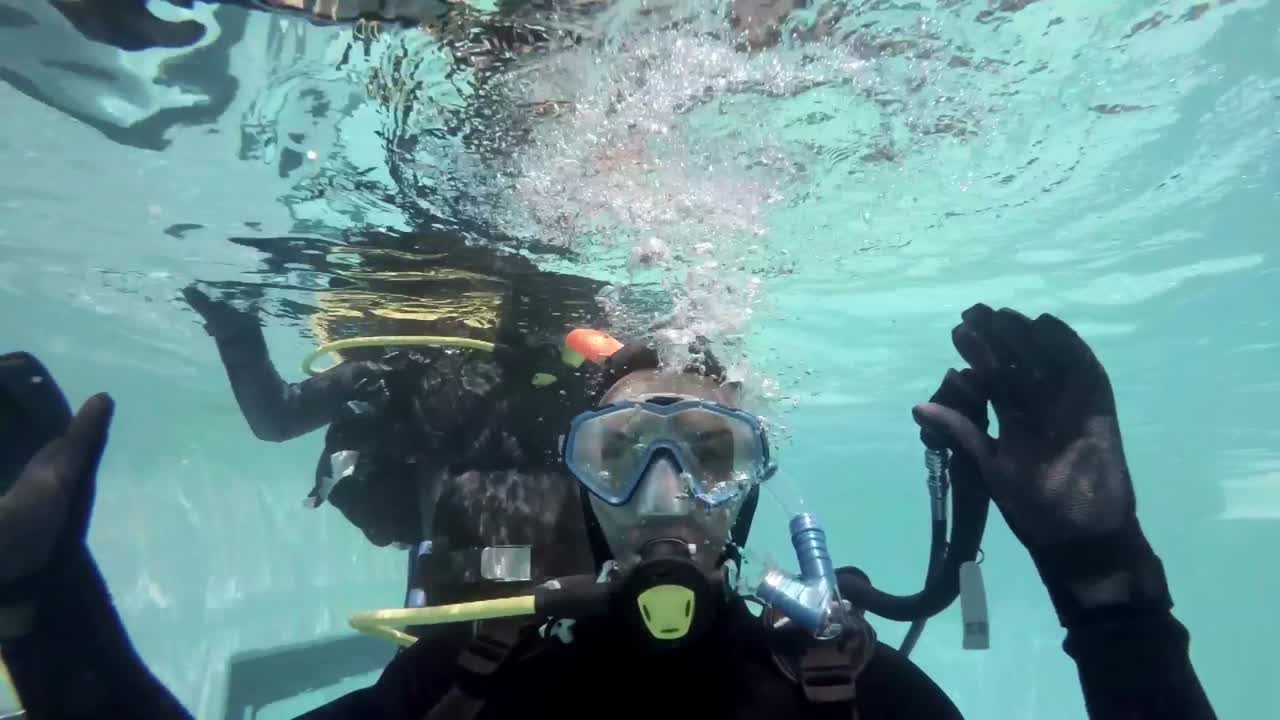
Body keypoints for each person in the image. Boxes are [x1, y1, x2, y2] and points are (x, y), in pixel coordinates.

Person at [0, 304, 1218, 719]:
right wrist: (40, 602)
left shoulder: (845, 694)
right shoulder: (460, 683)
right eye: (626, 455)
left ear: (749, 488)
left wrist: (1105, 585)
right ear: (574, 475)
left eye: (707, 455)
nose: (667, 499)